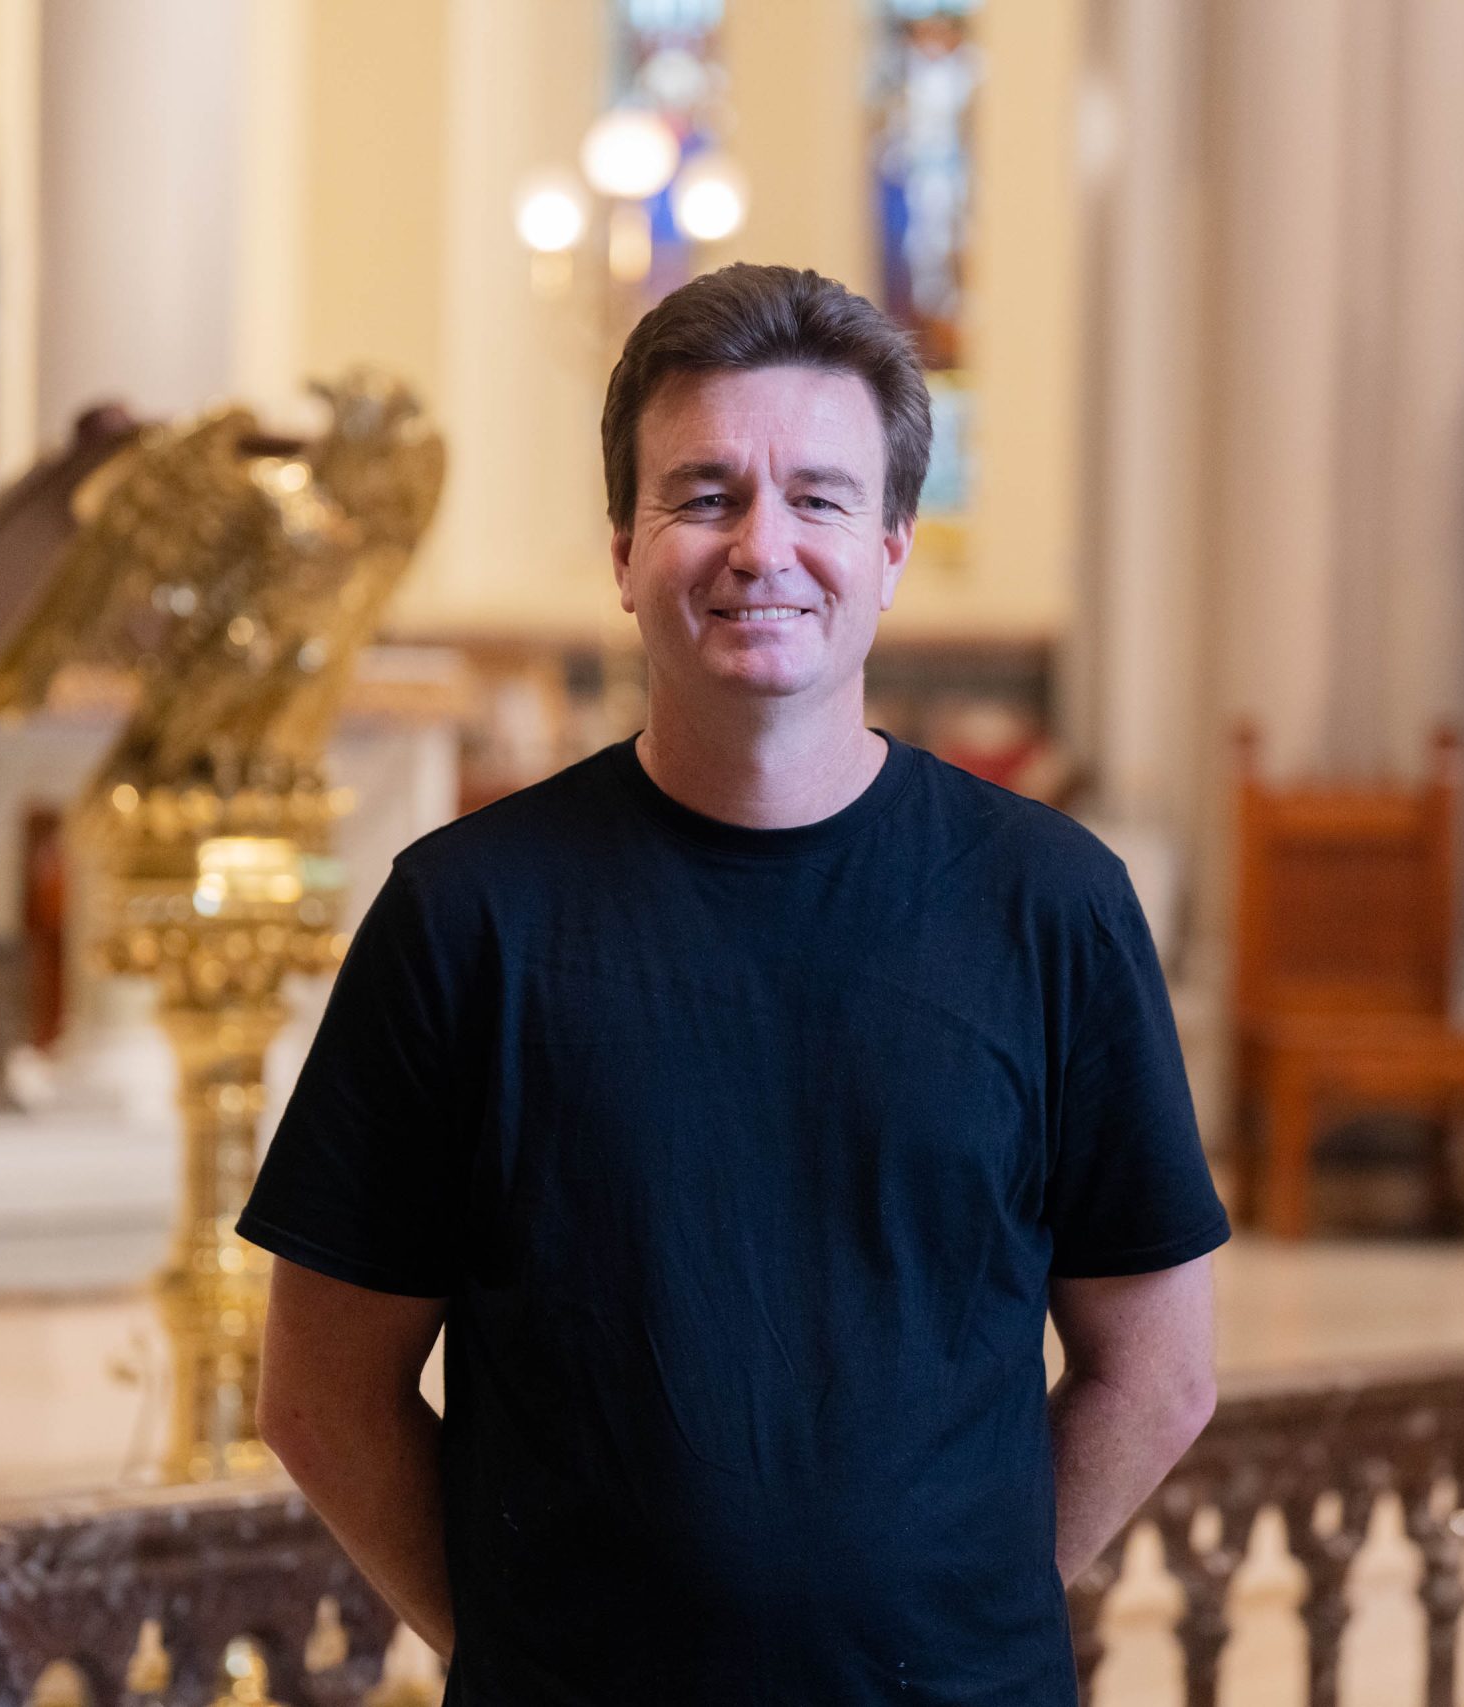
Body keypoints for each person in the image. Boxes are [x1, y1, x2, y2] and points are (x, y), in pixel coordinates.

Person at [244, 264, 1227, 1705]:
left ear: (892, 547)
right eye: (703, 495)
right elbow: (322, 1396)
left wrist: (960, 1627)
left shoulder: (1048, 903)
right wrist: (523, 1651)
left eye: (820, 498)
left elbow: (1159, 1374)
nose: (762, 547)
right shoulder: (466, 919)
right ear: (624, 550)